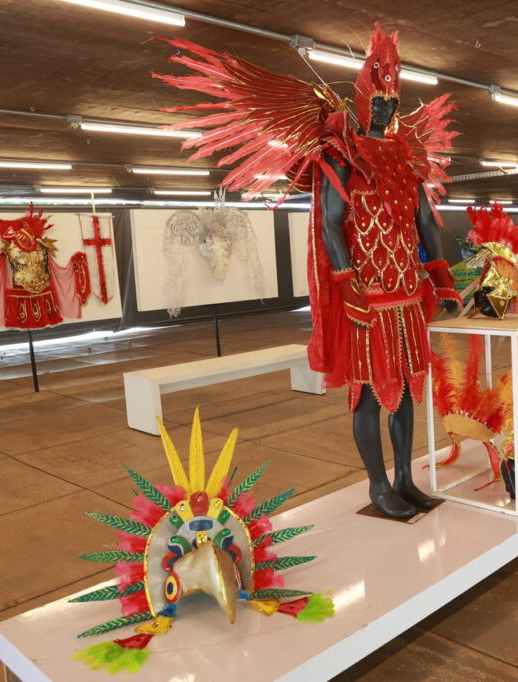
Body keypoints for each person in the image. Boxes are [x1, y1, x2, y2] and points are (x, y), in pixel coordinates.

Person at [155, 24, 461, 519]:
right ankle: (378, 486)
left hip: (406, 294)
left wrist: (441, 275)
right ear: (360, 100)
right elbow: (330, 222)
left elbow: (425, 219)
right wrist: (346, 280)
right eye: (376, 99)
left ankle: (406, 478)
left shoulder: (407, 157)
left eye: (391, 100)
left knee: (406, 389)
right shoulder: (342, 153)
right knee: (368, 393)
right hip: (368, 295)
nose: (384, 108)